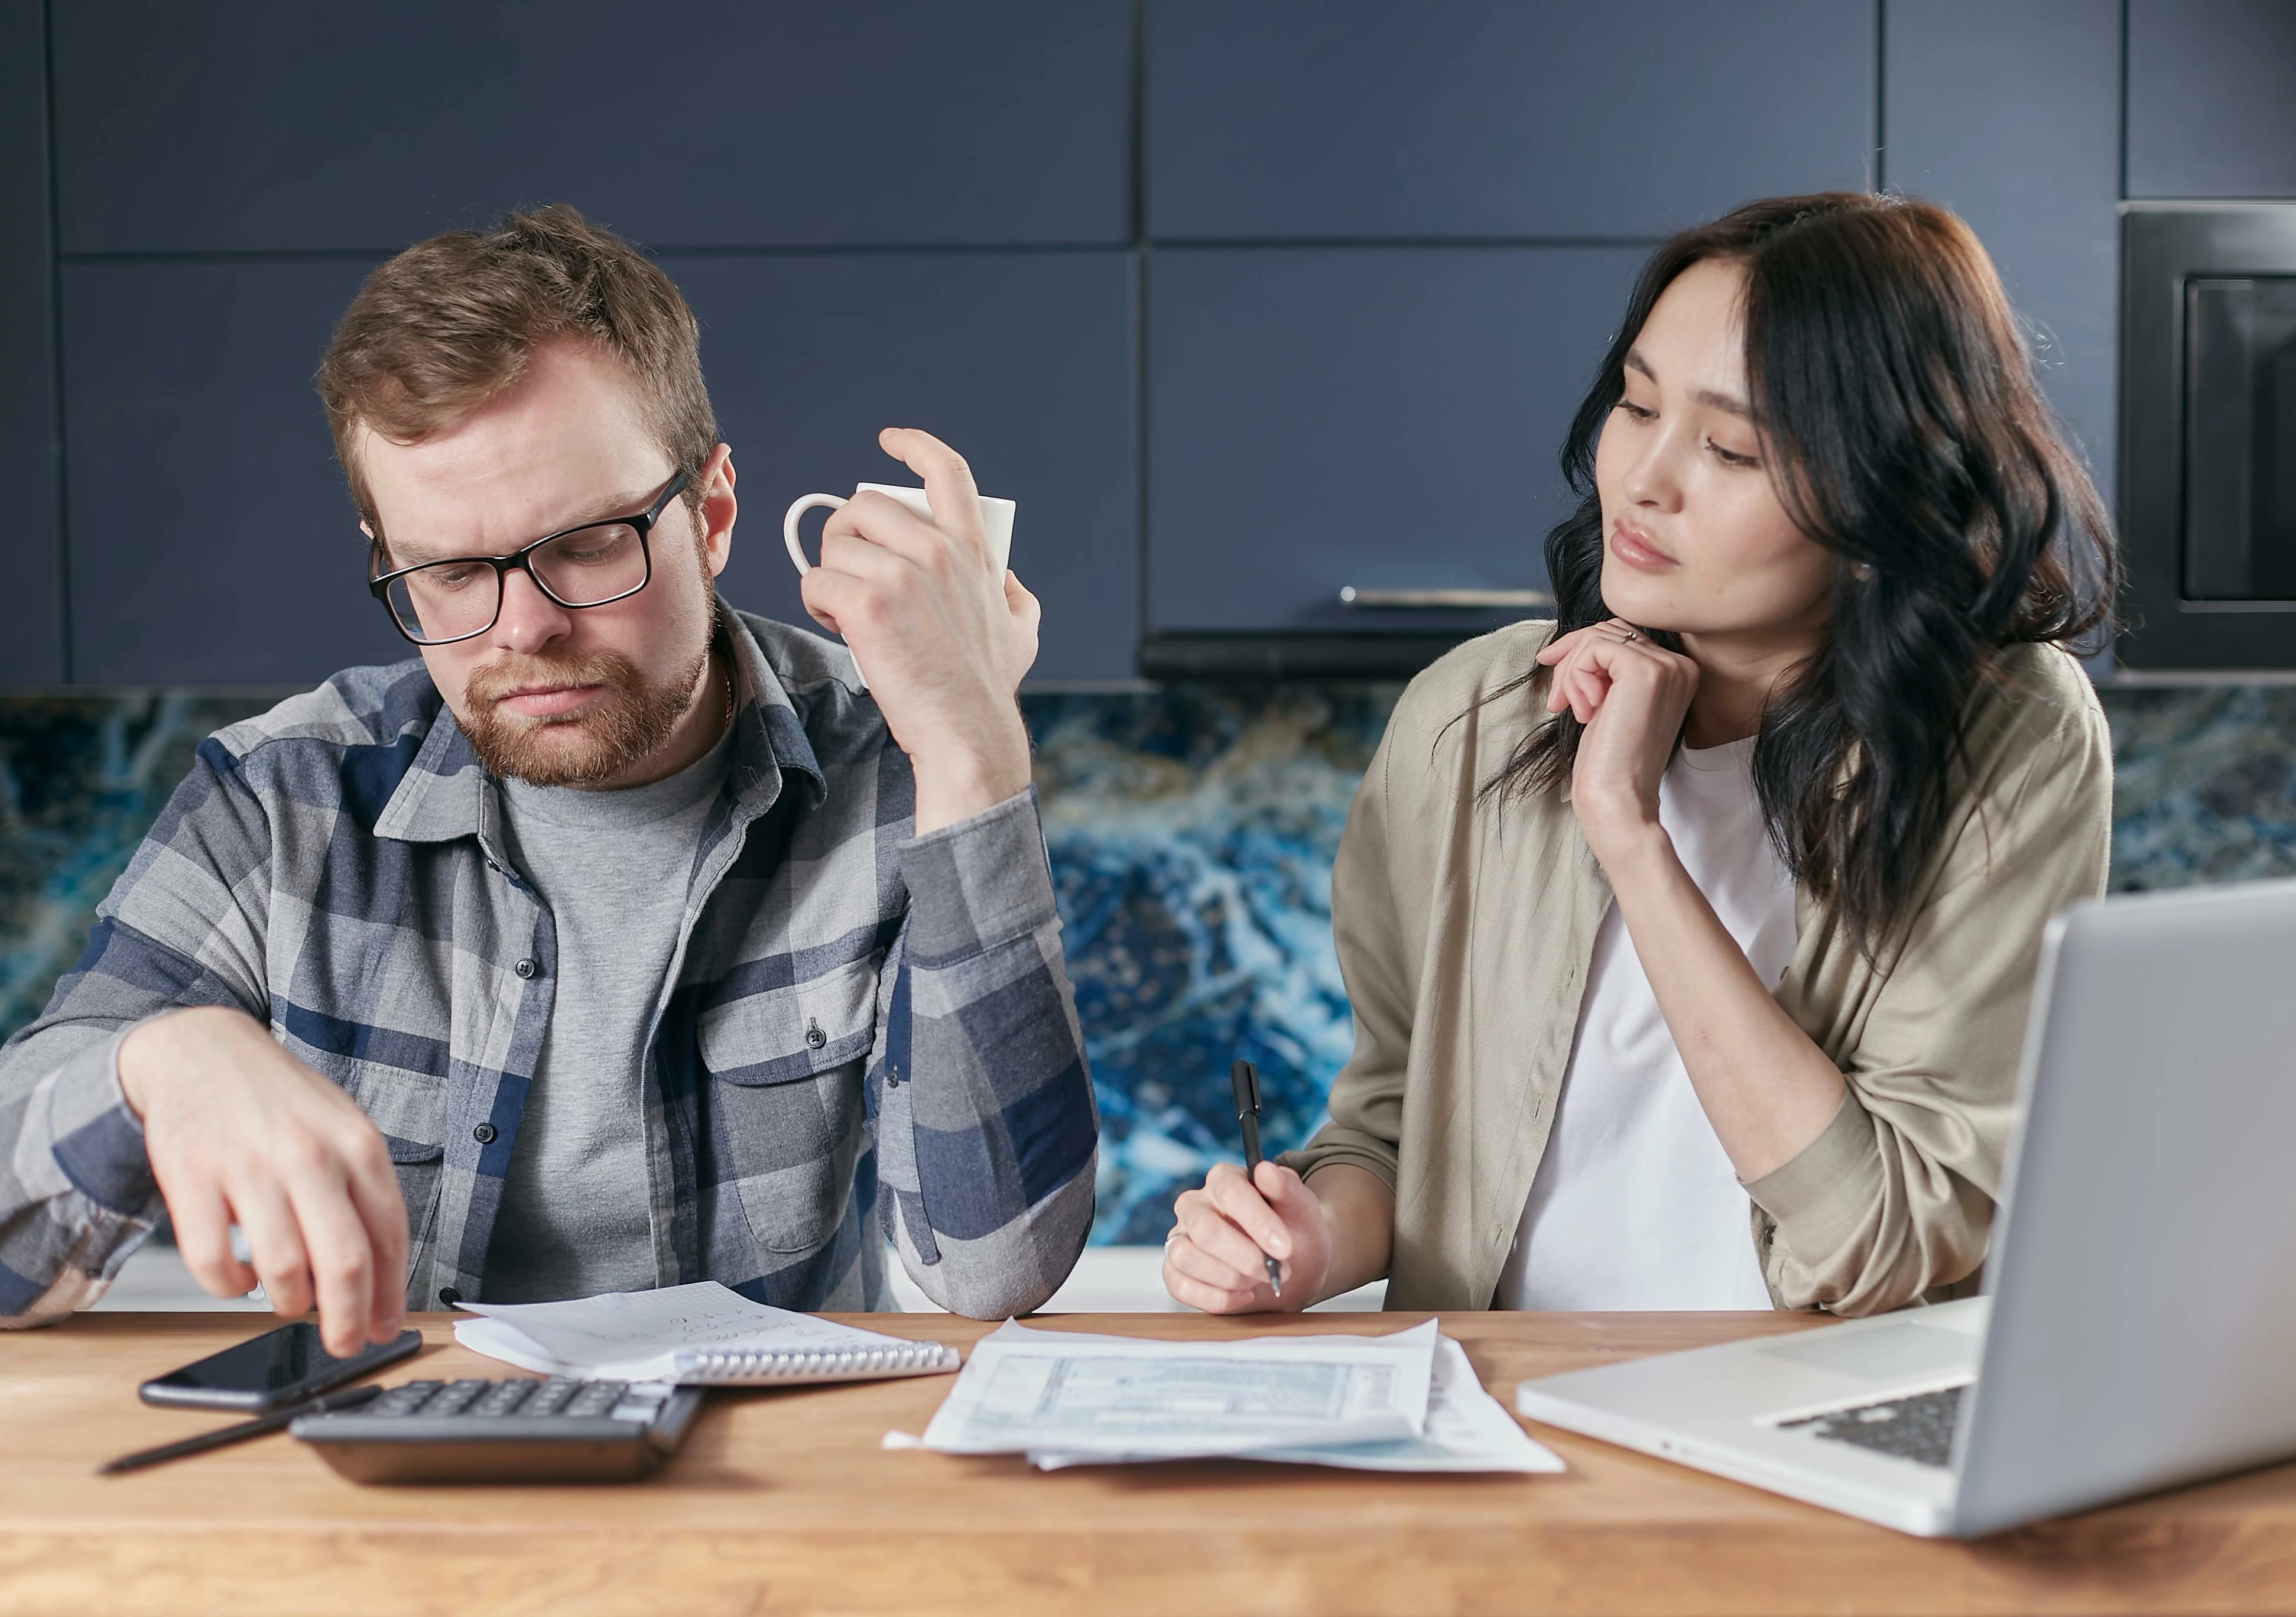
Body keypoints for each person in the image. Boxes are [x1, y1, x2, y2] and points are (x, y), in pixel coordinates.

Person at [0, 206, 1097, 1353]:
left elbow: (996, 1269)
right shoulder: (283, 801)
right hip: (391, 1496)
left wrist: (973, 746)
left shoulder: (892, 763)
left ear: (711, 515)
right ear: (388, 558)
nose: (523, 629)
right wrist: (155, 1066)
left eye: (586, 545)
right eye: (449, 570)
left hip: (769, 1490)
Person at [1162, 192, 2119, 1319]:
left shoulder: (2008, 740)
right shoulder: (1474, 713)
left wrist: (1629, 831)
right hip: (1506, 1428)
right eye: (1636, 403)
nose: (1643, 479)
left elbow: (1888, 1239)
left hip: (1810, 1449)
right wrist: (1312, 1238)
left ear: (1883, 498)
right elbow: (1391, 1126)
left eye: (1729, 448)